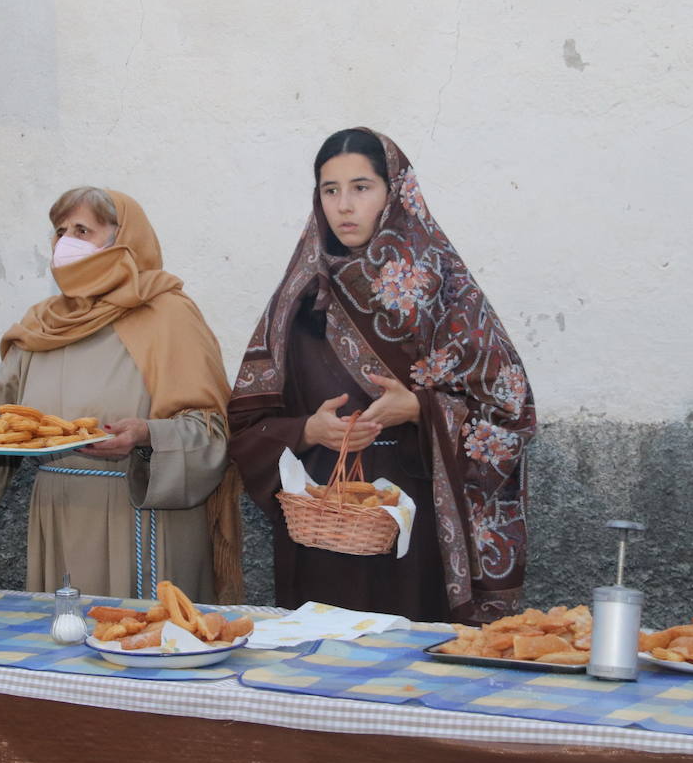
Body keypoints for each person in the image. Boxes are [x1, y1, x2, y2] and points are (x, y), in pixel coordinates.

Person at [228, 129, 535, 623]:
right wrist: (308, 430)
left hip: (416, 530)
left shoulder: (444, 289)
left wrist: (419, 409)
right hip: (323, 524)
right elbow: (246, 422)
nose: (344, 205)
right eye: (330, 190)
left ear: (395, 194)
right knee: (318, 667)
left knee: (409, 670)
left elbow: (509, 410)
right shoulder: (300, 297)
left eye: (361, 187)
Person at [0, 188, 242, 603]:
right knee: (64, 642)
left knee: (140, 648)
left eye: (84, 230)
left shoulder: (167, 315)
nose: (66, 243)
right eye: (61, 231)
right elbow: (0, 418)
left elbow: (212, 430)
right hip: (57, 514)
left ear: (124, 240)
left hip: (140, 515)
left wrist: (148, 436)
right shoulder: (42, 324)